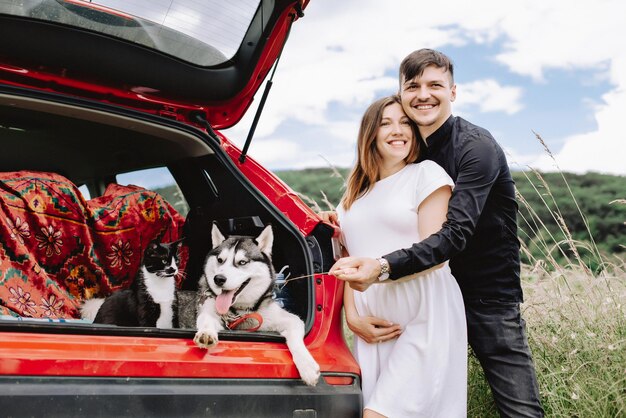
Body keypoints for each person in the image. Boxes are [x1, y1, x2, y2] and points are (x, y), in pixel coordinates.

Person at [329, 49, 544, 417]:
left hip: (483, 296)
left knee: (519, 410)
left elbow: (453, 235)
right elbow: (373, 226)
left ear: (453, 92)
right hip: (410, 298)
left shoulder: (475, 148)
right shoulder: (404, 156)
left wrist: (379, 268)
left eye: (435, 85)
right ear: (400, 92)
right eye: (413, 86)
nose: (423, 94)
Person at [326, 95, 467, 417]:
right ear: (370, 133)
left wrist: (378, 271)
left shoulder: (426, 174)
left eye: (405, 122)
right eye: (386, 123)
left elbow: (437, 253)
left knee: (379, 414)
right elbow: (348, 262)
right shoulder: (353, 197)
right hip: (374, 327)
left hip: (424, 314)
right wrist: (352, 317)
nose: (398, 130)